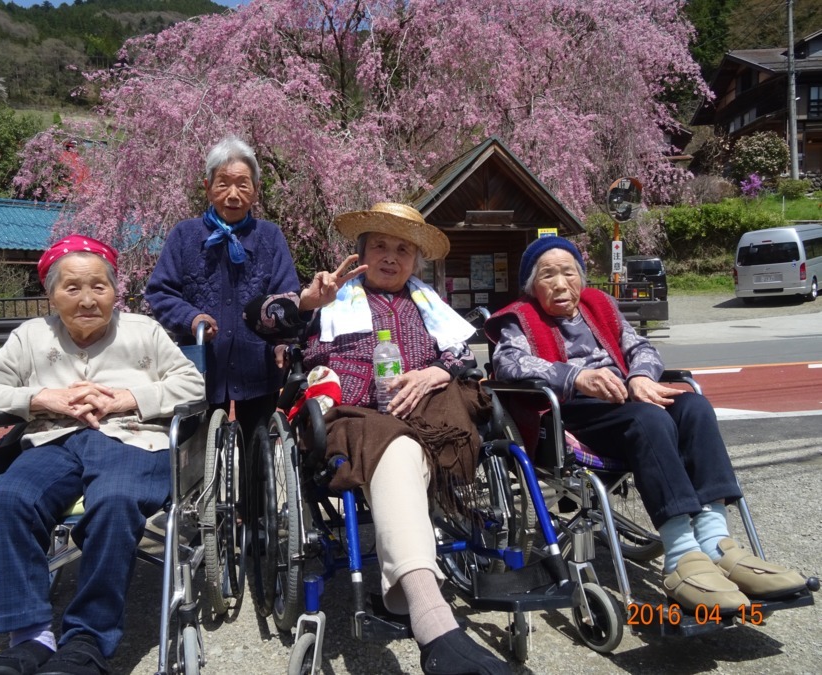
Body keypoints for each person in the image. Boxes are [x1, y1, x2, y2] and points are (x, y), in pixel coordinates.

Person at [247, 202, 511, 675]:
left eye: (403, 249)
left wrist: (434, 371)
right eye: (380, 246)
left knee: (428, 431)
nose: (391, 257)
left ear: (416, 260)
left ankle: (414, 603)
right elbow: (260, 318)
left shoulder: (429, 304)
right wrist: (306, 302)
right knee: (398, 446)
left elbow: (461, 356)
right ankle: (436, 625)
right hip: (350, 418)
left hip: (430, 419)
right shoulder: (330, 298)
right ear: (362, 252)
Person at [484, 236, 808, 614]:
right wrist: (575, 377)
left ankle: (718, 543)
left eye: (569, 272)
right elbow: (509, 363)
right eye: (548, 275)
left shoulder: (599, 306)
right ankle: (682, 557)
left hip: (626, 397)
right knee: (649, 419)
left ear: (582, 278)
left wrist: (640, 375)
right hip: (572, 411)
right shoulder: (518, 318)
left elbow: (640, 347)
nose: (560, 284)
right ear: (531, 286)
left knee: (695, 407)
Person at [0, 235, 205, 675]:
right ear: (51, 293)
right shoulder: (31, 336)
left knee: (114, 502)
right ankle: (30, 637)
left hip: (132, 437)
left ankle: (88, 639)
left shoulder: (144, 331)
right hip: (52, 438)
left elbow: (193, 386)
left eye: (99, 286)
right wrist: (42, 399)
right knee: (7, 499)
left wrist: (126, 398)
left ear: (116, 291)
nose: (88, 299)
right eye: (72, 288)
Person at [145, 135, 300, 446]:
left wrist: (283, 342)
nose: (233, 194)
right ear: (207, 187)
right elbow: (160, 291)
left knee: (258, 458)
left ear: (255, 191)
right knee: (199, 458)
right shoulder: (185, 236)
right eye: (223, 183)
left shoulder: (269, 237)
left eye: (243, 185)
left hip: (258, 365)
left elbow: (287, 297)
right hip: (199, 367)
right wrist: (191, 318)